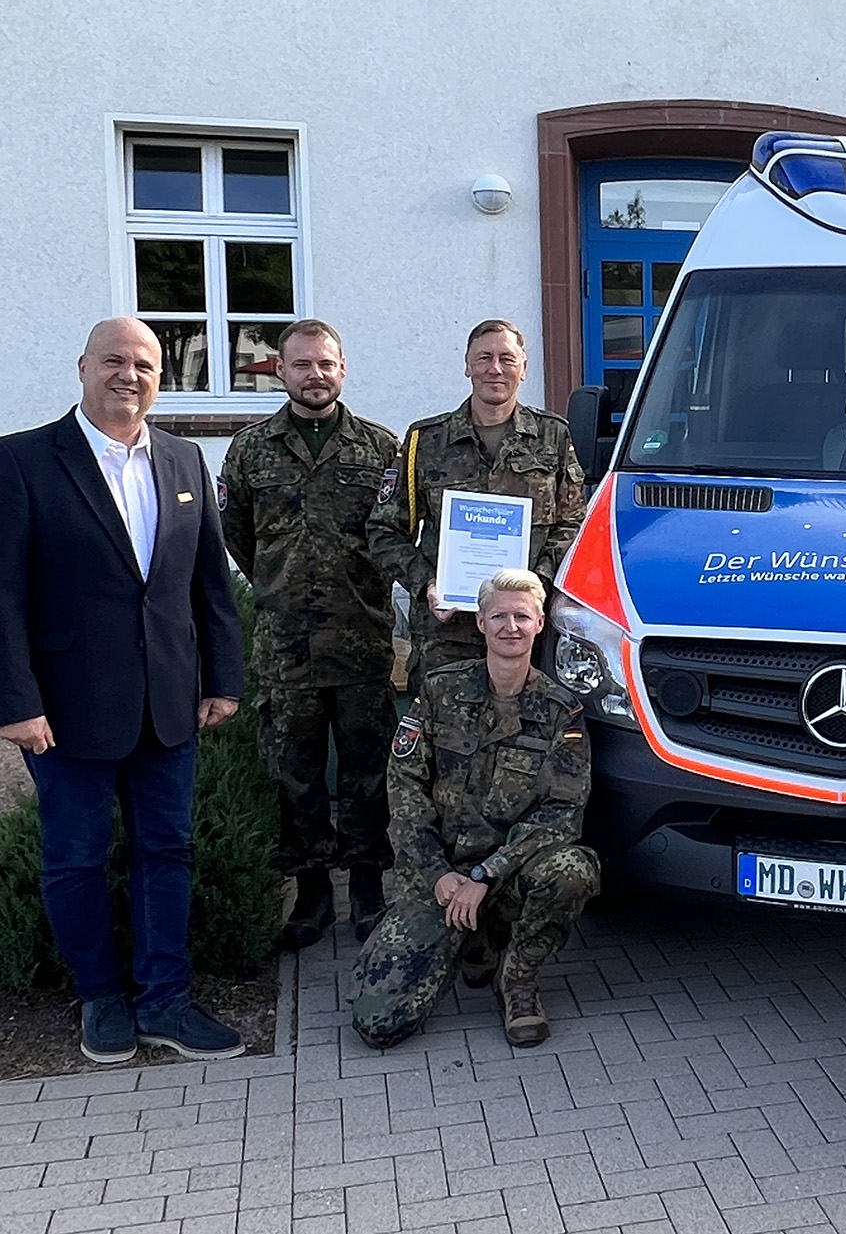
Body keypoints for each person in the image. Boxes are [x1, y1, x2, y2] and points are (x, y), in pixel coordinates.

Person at [0, 317, 246, 1063]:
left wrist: (222, 677)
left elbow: (208, 583)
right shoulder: (23, 460)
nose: (130, 374)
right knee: (76, 858)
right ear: (83, 366)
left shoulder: (185, 460)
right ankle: (102, 998)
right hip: (64, 708)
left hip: (169, 702)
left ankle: (166, 999)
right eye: (115, 361)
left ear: (161, 377)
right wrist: (15, 701)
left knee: (168, 849)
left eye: (145, 364)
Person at [350, 569, 600, 1050]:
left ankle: (518, 977)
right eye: (499, 616)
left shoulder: (560, 710)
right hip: (440, 877)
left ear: (540, 624)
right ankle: (474, 941)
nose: (511, 626)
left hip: (505, 876)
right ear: (481, 623)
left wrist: (487, 874)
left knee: (573, 868)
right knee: (377, 1022)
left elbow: (562, 812)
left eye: (522, 617)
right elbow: (404, 791)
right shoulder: (440, 689)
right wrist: (438, 873)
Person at [221, 318, 402, 949]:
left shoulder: (380, 449)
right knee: (294, 775)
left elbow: (393, 534)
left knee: (366, 771)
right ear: (281, 371)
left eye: (325, 363)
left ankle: (369, 888)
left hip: (360, 642)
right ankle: (313, 894)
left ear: (343, 368)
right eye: (301, 365)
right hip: (285, 647)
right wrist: (281, 586)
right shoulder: (249, 450)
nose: (314, 375)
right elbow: (237, 536)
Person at [366, 319, 585, 691]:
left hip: (526, 632)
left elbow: (573, 525)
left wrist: (536, 586)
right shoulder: (426, 440)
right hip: (446, 633)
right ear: (468, 366)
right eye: (484, 358)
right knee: (443, 742)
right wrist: (428, 584)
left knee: (525, 740)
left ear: (524, 368)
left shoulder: (553, 436)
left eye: (506, 358)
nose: (495, 368)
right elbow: (384, 530)